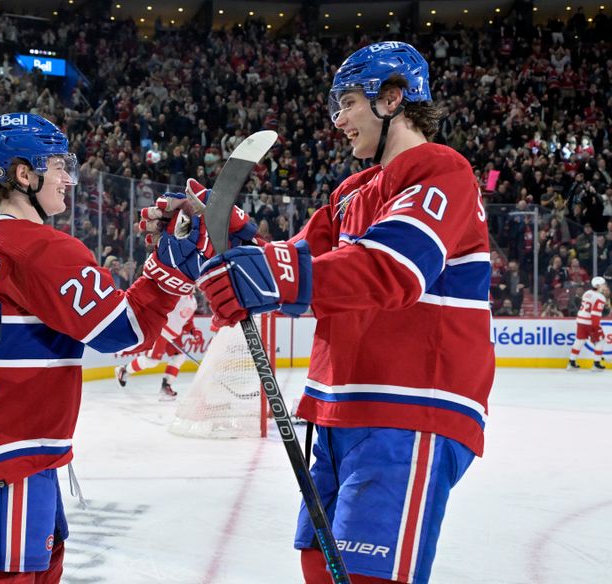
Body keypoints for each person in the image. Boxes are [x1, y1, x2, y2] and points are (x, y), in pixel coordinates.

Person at [195, 42, 494, 584]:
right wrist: (238, 244)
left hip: (409, 409)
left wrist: (268, 272)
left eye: (350, 102)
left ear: (393, 99)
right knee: (320, 566)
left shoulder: (441, 170)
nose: (339, 120)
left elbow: (392, 268)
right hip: (341, 413)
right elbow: (303, 270)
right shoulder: (352, 192)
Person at [0, 113, 196, 582]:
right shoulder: (39, 248)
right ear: (24, 174)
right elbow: (124, 330)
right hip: (13, 451)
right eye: (59, 166)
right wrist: (170, 268)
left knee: (41, 565)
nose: (68, 178)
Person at [115, 292, 201, 400]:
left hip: (174, 335)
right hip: (162, 330)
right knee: (152, 361)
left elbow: (187, 321)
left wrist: (193, 330)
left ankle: (166, 387)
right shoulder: (179, 293)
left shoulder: (193, 302)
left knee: (179, 357)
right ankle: (124, 370)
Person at [567, 276, 609, 370]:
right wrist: (596, 326)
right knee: (600, 340)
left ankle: (571, 362)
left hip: (580, 320)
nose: (605, 286)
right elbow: (595, 314)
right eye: (603, 284)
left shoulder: (587, 293)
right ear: (598, 286)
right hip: (590, 322)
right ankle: (596, 363)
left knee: (579, 340)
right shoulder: (600, 297)